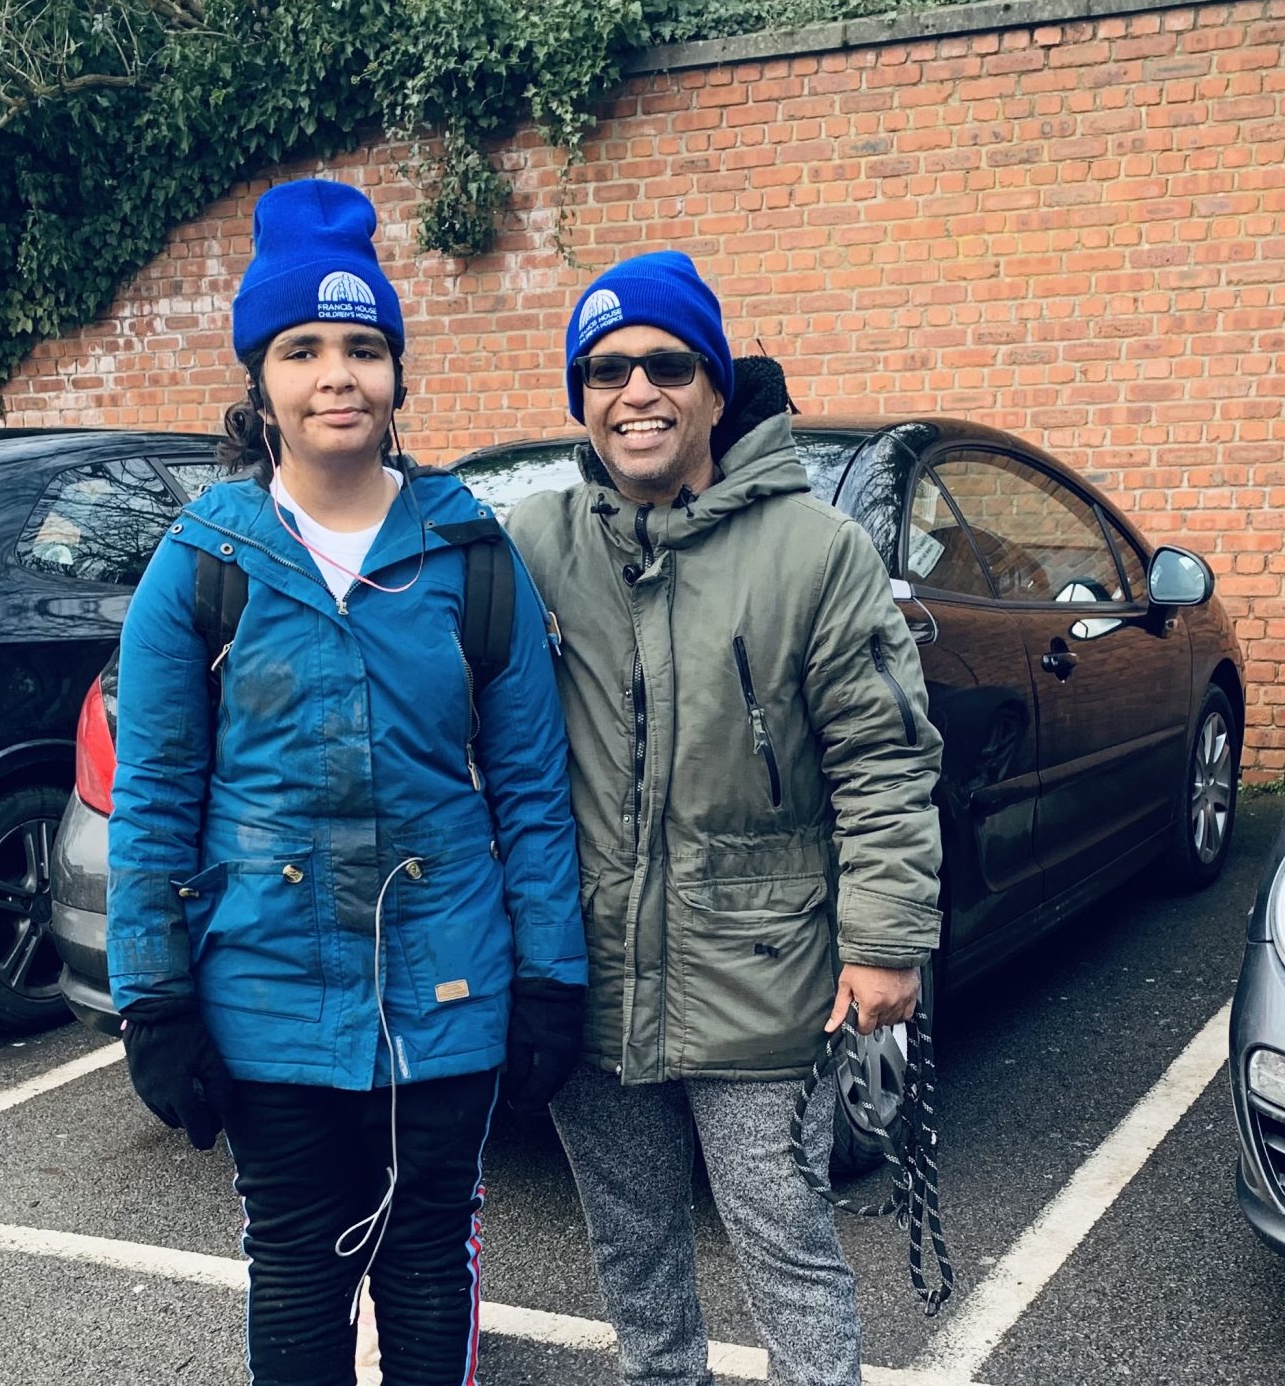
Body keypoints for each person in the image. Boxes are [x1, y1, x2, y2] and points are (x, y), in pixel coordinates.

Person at [105, 177, 587, 1386]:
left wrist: (553, 978)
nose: (338, 374)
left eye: (364, 347)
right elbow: (155, 799)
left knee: (427, 1256)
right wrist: (151, 995)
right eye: (305, 348)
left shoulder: (472, 554)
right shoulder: (201, 565)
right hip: (265, 989)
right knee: (300, 1262)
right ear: (260, 379)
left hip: (452, 982)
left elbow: (530, 786)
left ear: (397, 374)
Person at [507, 252, 946, 1386]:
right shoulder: (533, 548)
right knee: (633, 1256)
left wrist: (885, 939)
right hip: (591, 972)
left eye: (665, 362)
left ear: (712, 385)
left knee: (789, 1254)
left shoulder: (815, 552)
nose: (635, 390)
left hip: (762, 973)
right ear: (581, 396)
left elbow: (884, 756)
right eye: (606, 369)